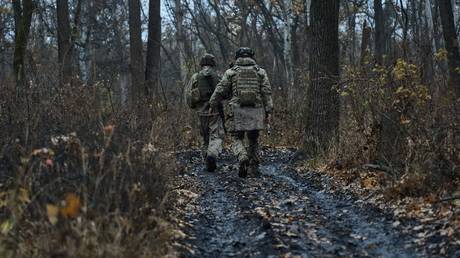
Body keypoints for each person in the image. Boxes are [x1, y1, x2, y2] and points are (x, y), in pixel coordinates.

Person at [209, 47, 273, 178]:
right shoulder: (260, 72)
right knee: (253, 139)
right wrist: (269, 110)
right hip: (255, 109)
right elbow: (266, 92)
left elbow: (220, 89)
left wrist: (212, 103)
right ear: (252, 57)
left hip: (236, 109)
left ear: (237, 57)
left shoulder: (231, 72)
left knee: (236, 138)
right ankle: (253, 167)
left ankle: (242, 157)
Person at [185, 53, 224, 172]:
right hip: (215, 111)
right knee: (216, 136)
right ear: (213, 64)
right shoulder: (218, 76)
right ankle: (212, 155)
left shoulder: (195, 77)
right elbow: (225, 91)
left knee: (204, 137)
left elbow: (188, 95)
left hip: (201, 112)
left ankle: (206, 158)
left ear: (201, 64)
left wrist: (193, 106)